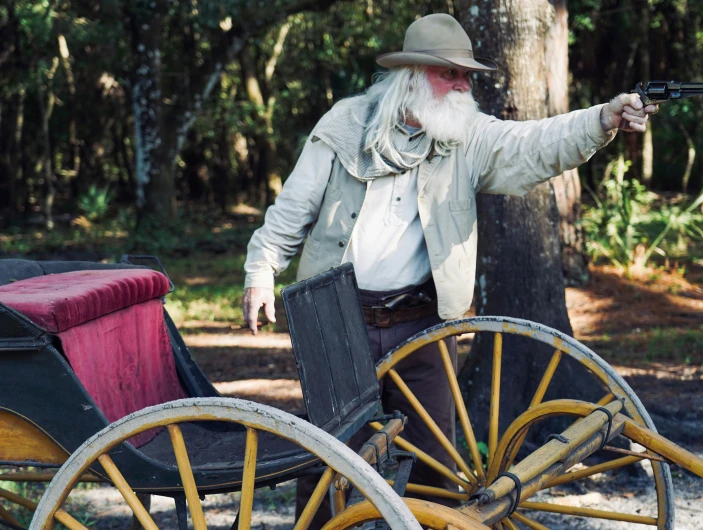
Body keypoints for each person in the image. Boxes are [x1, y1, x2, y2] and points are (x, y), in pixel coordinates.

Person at [241, 12, 657, 526]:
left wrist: (602, 119)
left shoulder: (466, 134)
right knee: (328, 457)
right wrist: (261, 270)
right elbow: (292, 210)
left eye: (466, 76)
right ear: (413, 75)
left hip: (423, 320)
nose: (463, 86)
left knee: (436, 461)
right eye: (450, 74)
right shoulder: (344, 124)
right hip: (337, 320)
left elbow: (534, 144)